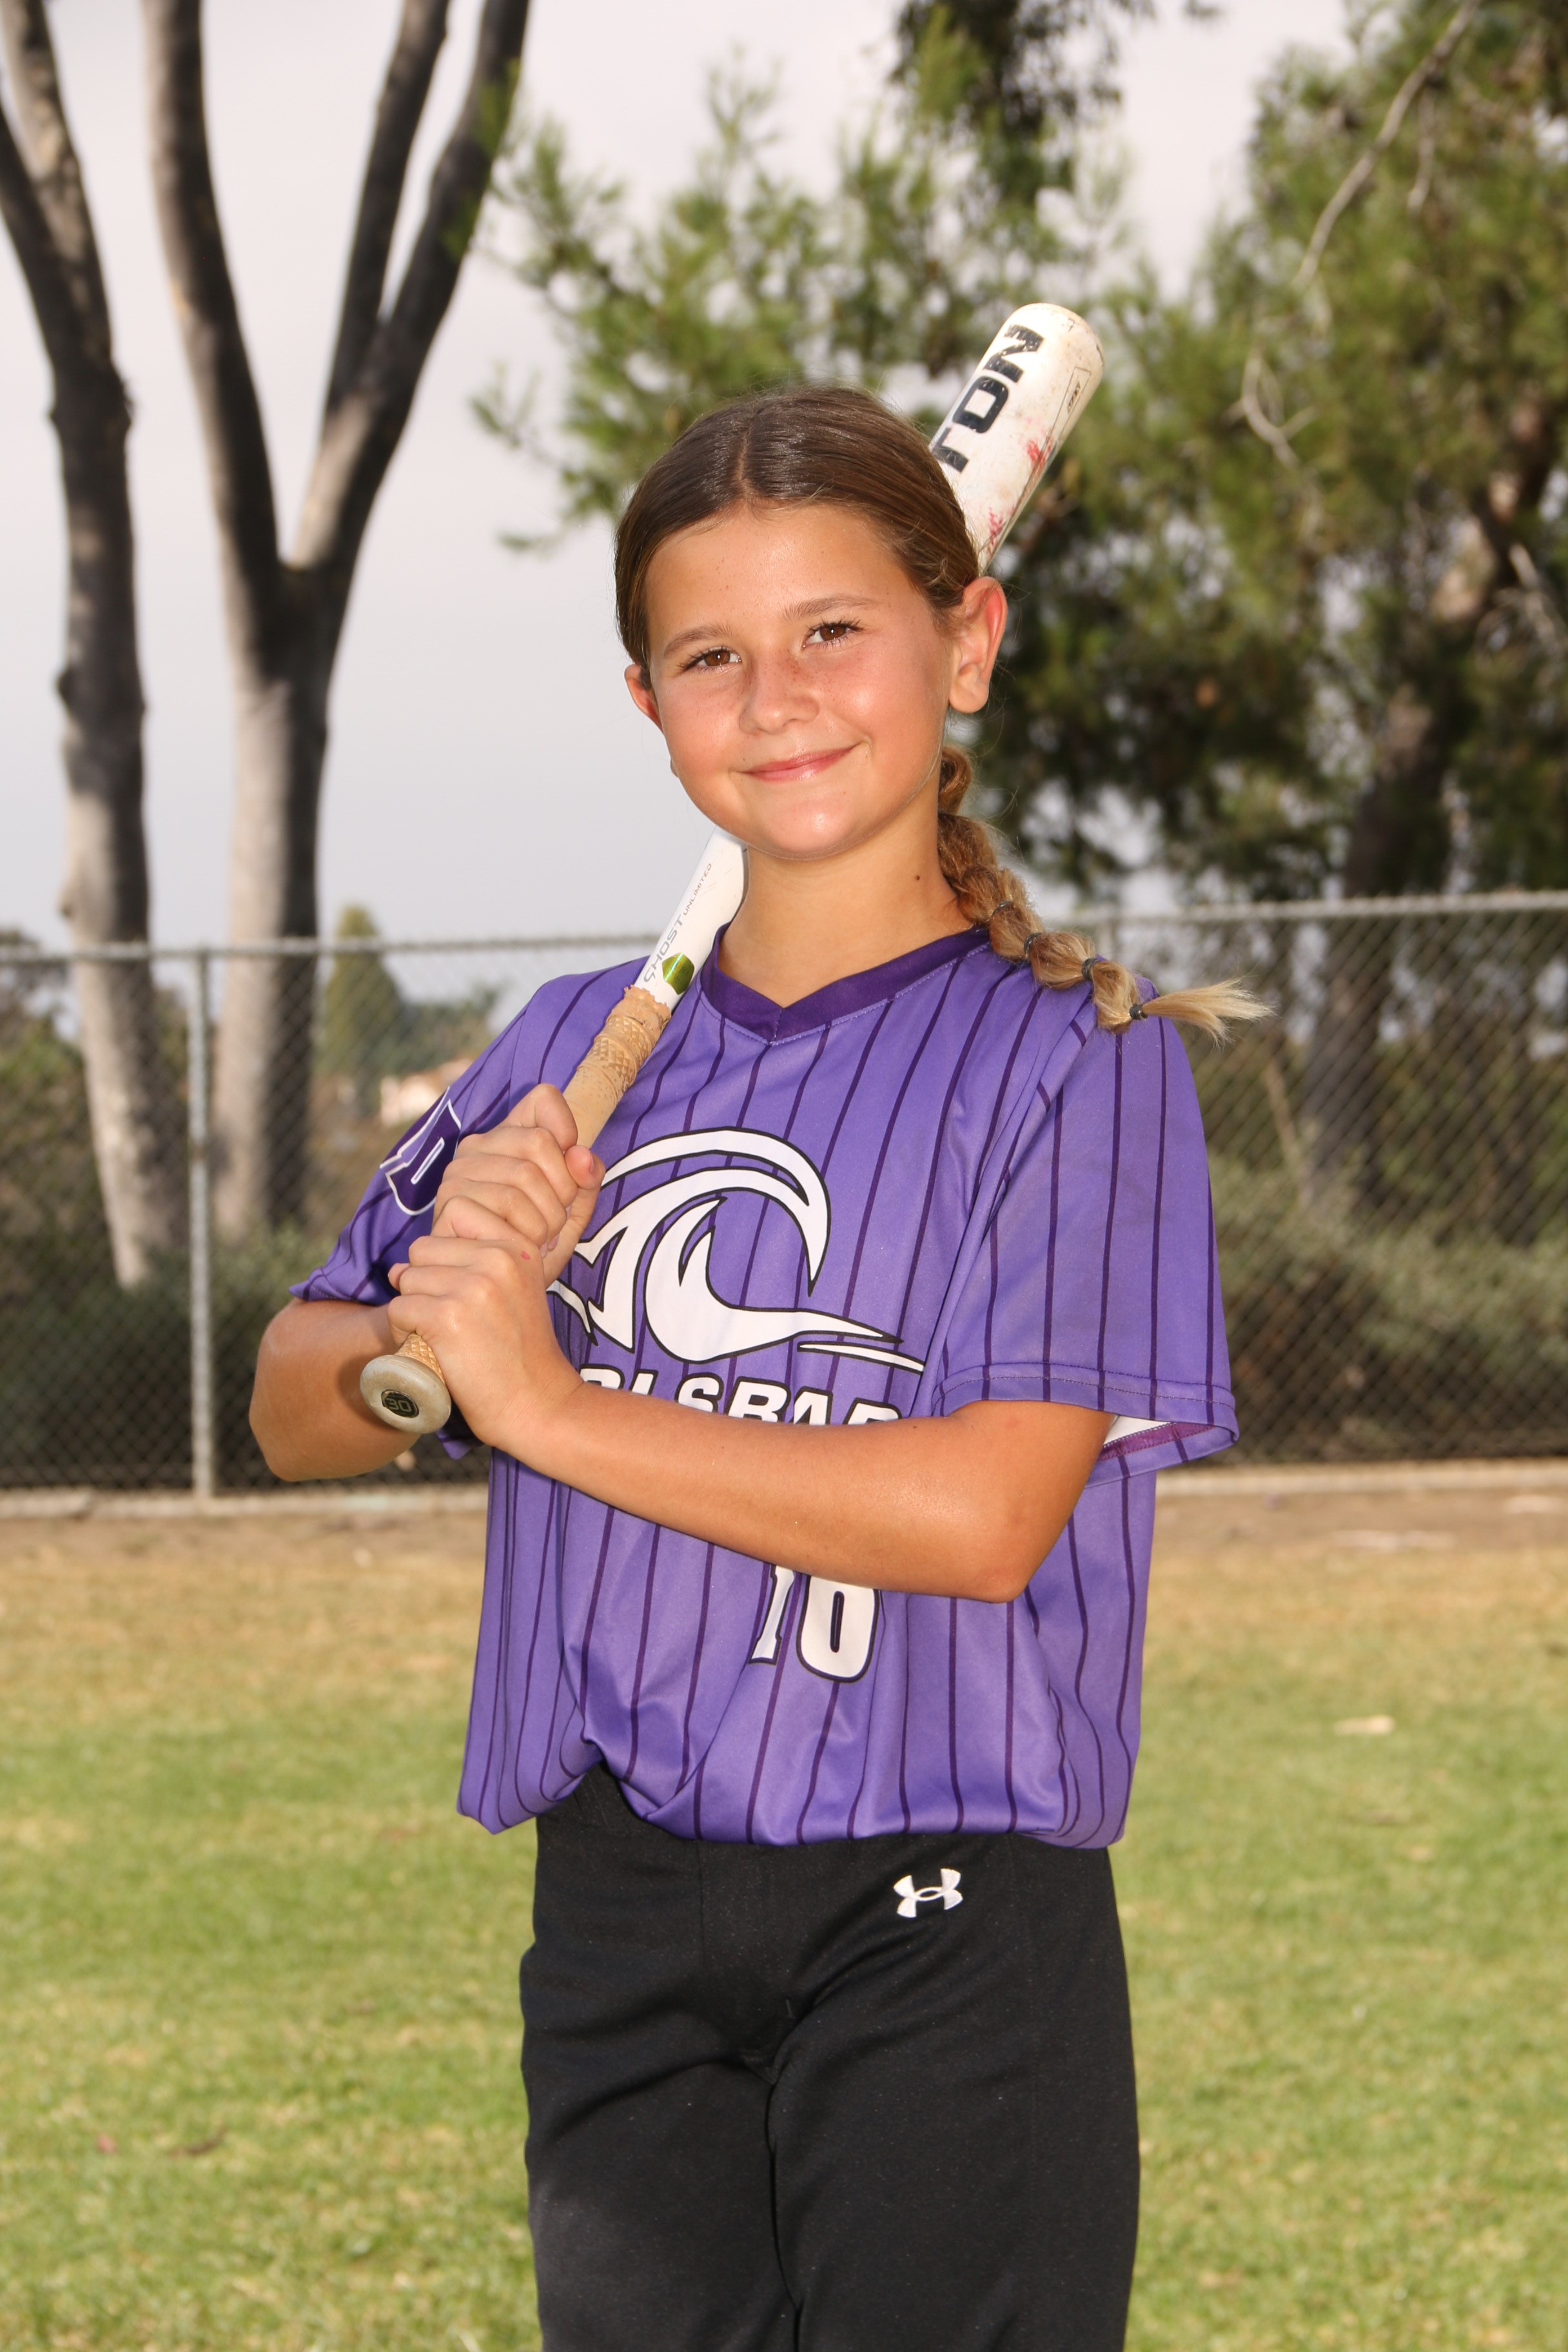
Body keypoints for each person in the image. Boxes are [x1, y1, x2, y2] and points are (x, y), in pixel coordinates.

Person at [251, 383, 1260, 2352]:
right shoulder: (563, 1051)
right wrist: (424, 1331)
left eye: (834, 631)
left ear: (966, 642)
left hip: (944, 1924)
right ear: (650, 705)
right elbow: (300, 1402)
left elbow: (985, 1516)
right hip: (618, 1917)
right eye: (712, 655)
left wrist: (543, 1398)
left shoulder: (1085, 1059)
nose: (777, 698)